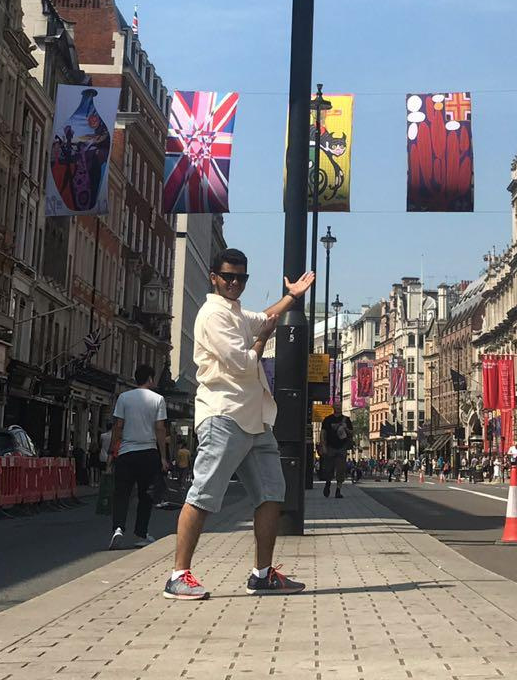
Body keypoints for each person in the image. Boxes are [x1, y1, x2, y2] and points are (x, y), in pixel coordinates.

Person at [165, 250, 315, 601]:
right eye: (228, 277)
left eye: (241, 278)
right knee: (203, 494)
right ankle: (178, 576)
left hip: (255, 419)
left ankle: (262, 575)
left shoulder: (234, 311)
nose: (235, 283)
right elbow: (245, 362)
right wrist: (262, 339)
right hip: (224, 414)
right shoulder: (212, 315)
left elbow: (264, 318)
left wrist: (292, 297)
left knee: (272, 493)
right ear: (214, 277)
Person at [109, 364, 170, 550]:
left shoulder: (124, 397)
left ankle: (118, 528)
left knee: (122, 493)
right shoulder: (158, 399)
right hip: (148, 452)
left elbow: (118, 426)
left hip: (126, 452)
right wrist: (163, 457)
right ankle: (141, 533)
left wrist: (113, 451)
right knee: (146, 495)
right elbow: (160, 429)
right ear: (150, 379)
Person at [318, 405, 353, 499]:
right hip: (330, 447)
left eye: (339, 406)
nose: (338, 407)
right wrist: (323, 445)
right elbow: (323, 433)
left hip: (342, 447)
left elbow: (351, 433)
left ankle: (338, 490)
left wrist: (346, 428)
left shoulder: (346, 419)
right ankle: (328, 483)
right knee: (328, 468)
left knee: (341, 469)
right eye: (336, 406)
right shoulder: (328, 419)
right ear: (333, 407)